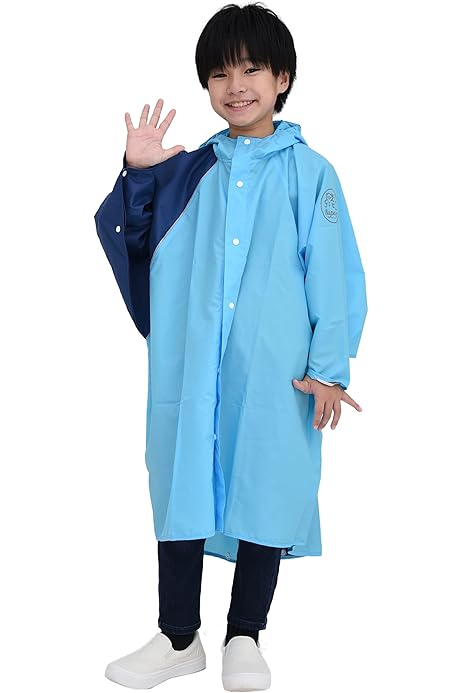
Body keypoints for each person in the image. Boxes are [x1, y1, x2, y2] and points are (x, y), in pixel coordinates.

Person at [94, 2, 367, 690]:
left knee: (265, 484)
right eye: (219, 73)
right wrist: (138, 173)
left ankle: (245, 633)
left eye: (251, 69)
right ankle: (177, 637)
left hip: (275, 371)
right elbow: (135, 240)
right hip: (191, 367)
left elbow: (334, 273)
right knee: (181, 482)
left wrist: (328, 369)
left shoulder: (311, 174)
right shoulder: (188, 172)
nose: (235, 85)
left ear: (282, 78)